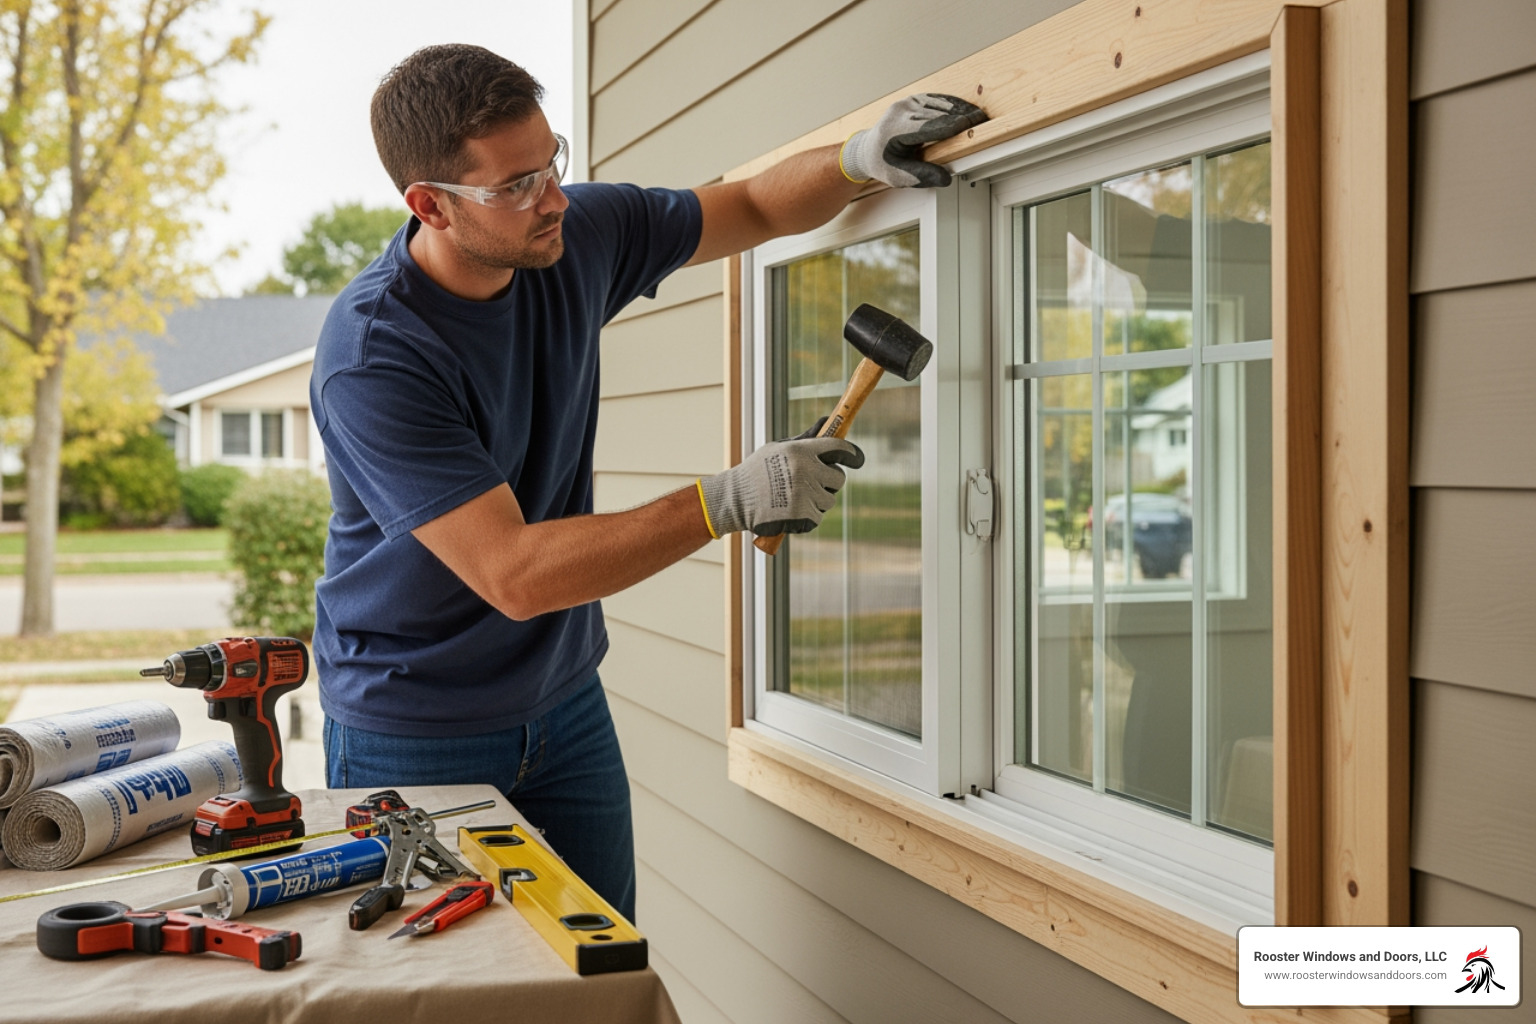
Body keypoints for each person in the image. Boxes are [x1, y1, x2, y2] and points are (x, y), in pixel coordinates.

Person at [310, 43, 986, 921]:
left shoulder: (570, 233)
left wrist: (856, 159)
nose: (550, 197)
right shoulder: (375, 356)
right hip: (415, 730)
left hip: (563, 704)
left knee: (604, 970)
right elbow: (513, 573)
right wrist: (726, 500)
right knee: (448, 994)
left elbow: (745, 206)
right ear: (429, 205)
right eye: (513, 185)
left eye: (550, 162)